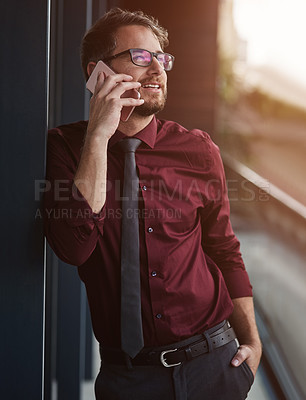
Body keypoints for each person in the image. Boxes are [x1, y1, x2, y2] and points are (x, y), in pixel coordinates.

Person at [44, 7, 262, 400]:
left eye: (162, 58)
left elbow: (224, 250)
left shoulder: (198, 149)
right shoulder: (63, 147)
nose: (157, 68)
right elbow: (74, 248)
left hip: (214, 363)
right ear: (98, 73)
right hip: (127, 378)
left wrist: (252, 344)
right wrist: (98, 136)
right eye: (141, 57)